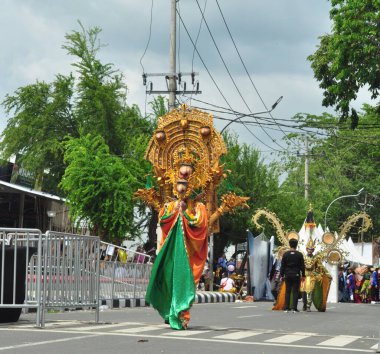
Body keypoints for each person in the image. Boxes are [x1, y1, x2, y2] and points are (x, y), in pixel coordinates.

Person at [300, 236, 332, 312]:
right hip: (304, 276)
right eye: (308, 249)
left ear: (313, 250)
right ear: (306, 249)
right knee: (303, 292)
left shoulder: (316, 258)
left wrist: (328, 274)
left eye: (311, 249)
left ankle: (308, 306)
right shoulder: (303, 257)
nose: (310, 250)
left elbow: (321, 267)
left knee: (310, 292)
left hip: (312, 276)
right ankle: (304, 304)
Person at [280, 238, 305, 313]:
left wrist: (282, 274)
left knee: (287, 291)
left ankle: (286, 307)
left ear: (289, 244)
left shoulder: (285, 254)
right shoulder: (299, 254)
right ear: (296, 245)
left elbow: (282, 265)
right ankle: (294, 308)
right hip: (296, 274)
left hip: (287, 274)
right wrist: (303, 275)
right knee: (295, 291)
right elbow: (302, 266)